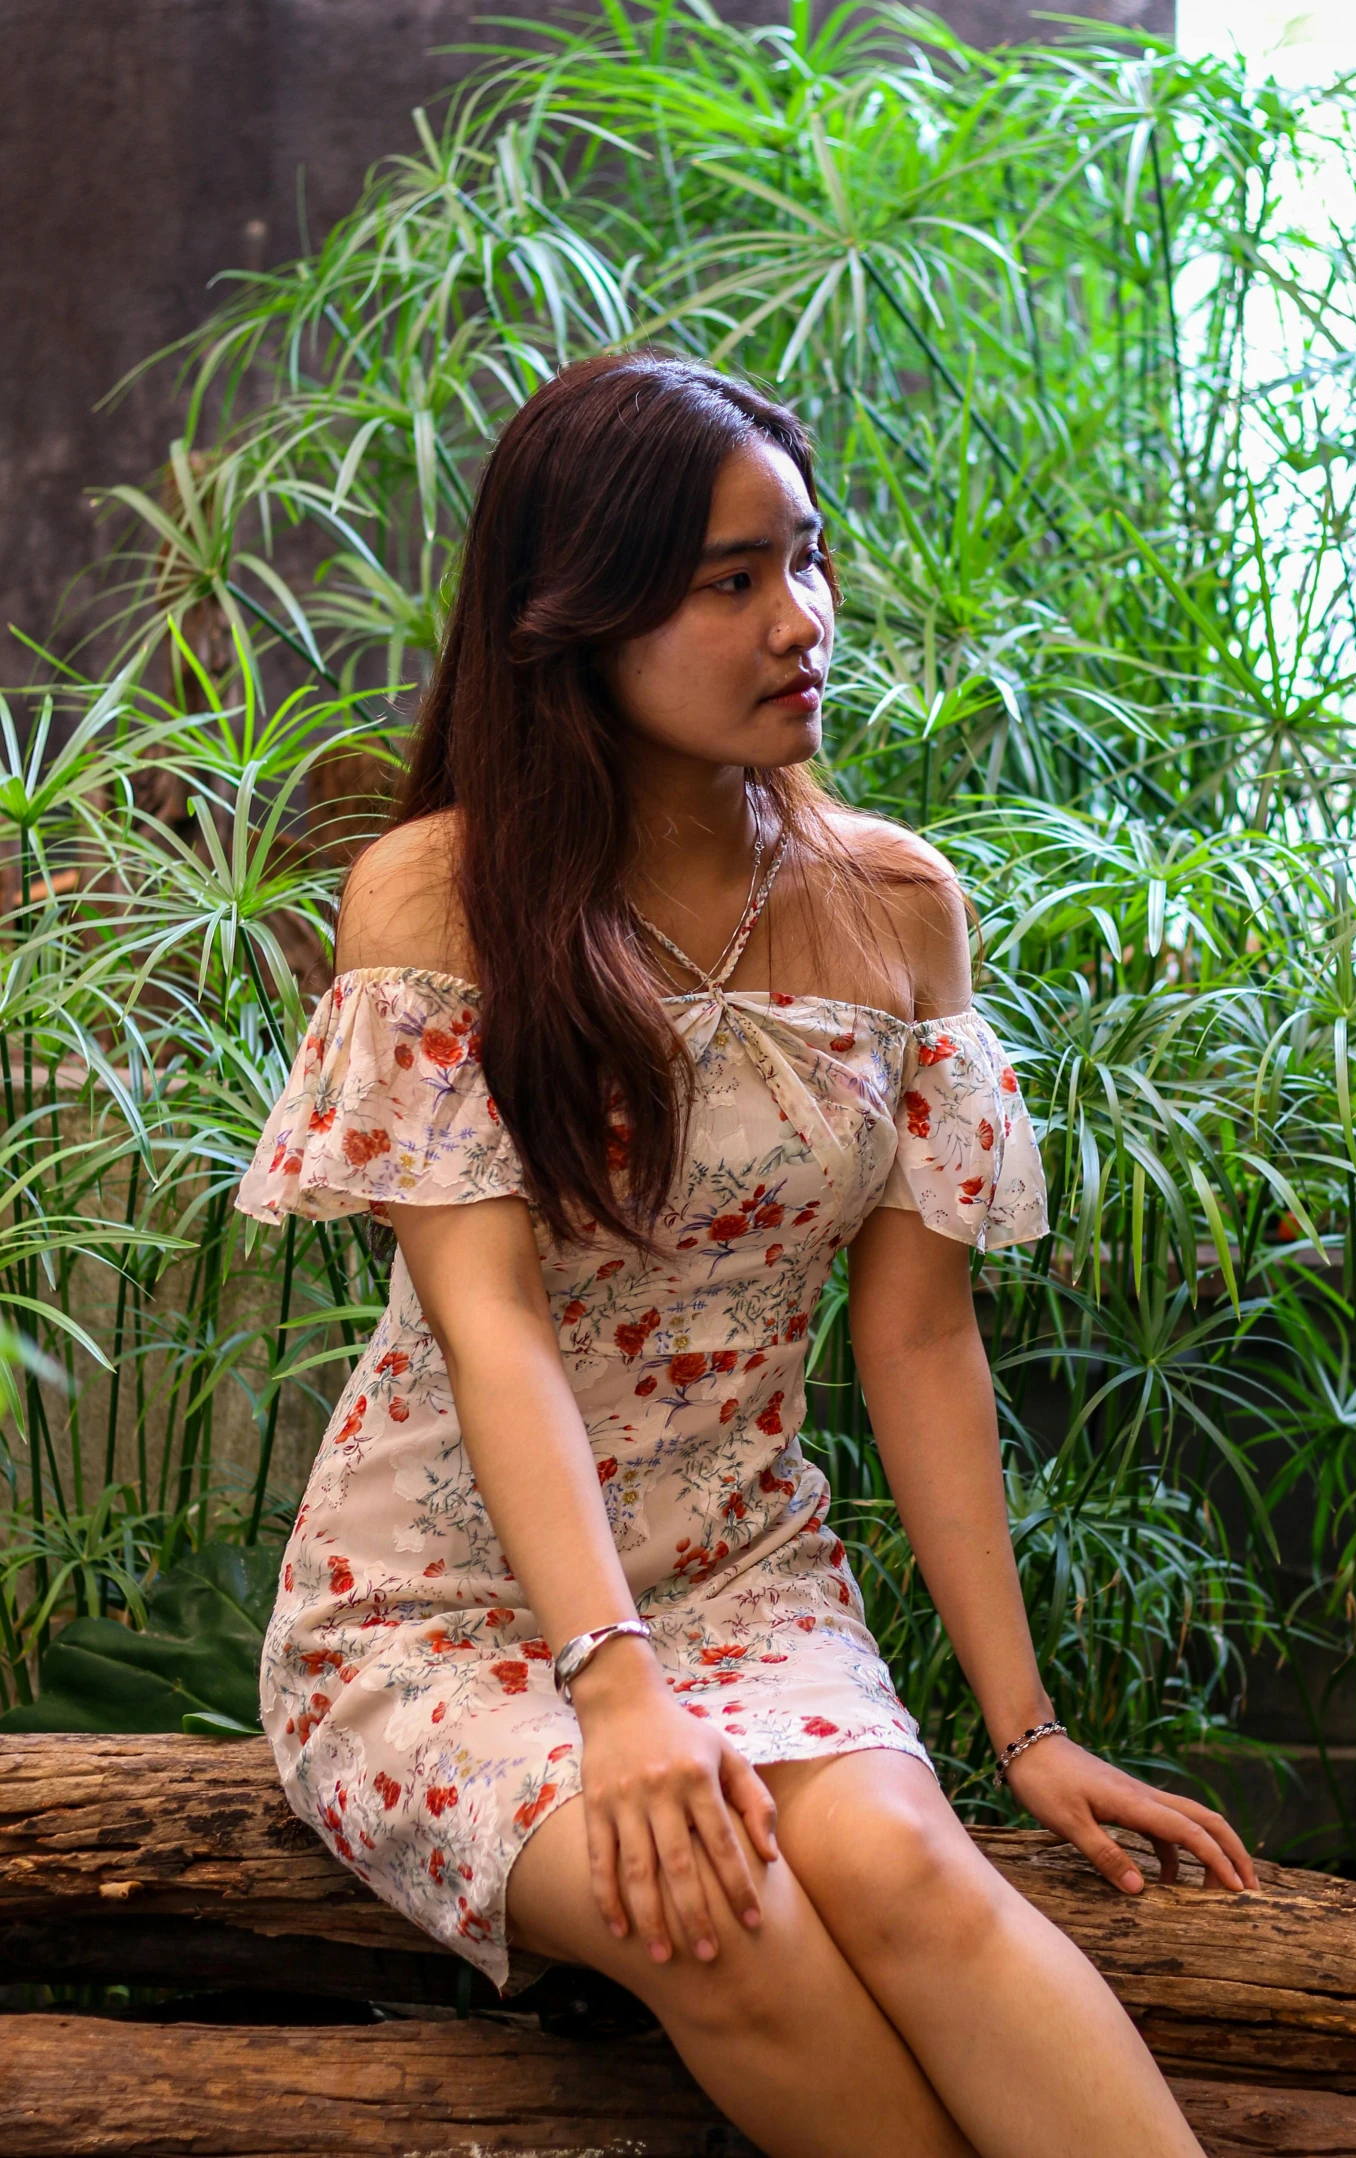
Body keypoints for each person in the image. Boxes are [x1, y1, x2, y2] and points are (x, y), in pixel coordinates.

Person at [238, 350, 1256, 2158]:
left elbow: (920, 1343)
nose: (801, 619)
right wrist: (612, 1692)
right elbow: (497, 1333)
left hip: (739, 1577)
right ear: (578, 615)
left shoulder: (896, 907)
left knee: (910, 1874)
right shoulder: (436, 896)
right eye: (729, 581)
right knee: (718, 1911)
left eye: (806, 556)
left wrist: (1023, 1737)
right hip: (436, 1610)